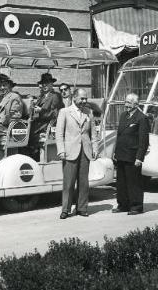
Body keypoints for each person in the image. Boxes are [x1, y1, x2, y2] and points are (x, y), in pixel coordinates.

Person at [55, 88, 98, 219]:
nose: (84, 101)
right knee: (68, 183)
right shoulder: (65, 112)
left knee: (83, 182)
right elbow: (59, 133)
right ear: (74, 98)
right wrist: (61, 150)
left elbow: (93, 134)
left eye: (86, 98)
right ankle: (66, 209)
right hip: (70, 151)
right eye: (82, 98)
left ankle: (82, 208)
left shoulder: (88, 112)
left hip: (85, 151)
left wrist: (95, 148)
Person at [112, 93, 149, 215]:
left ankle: (136, 206)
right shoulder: (123, 115)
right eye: (126, 102)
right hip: (121, 154)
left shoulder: (141, 118)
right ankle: (123, 204)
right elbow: (119, 135)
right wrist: (114, 152)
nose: (126, 104)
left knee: (134, 183)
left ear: (136, 104)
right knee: (121, 182)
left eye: (129, 102)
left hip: (133, 156)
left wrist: (140, 157)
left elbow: (144, 140)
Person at [28, 73, 64, 159]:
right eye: (43, 83)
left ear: (51, 84)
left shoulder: (55, 96)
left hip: (47, 125)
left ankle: (34, 154)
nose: (45, 85)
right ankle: (32, 154)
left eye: (47, 83)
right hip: (38, 123)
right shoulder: (42, 96)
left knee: (28, 134)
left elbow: (56, 113)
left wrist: (41, 111)